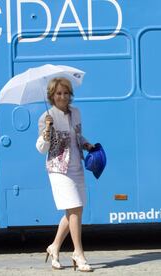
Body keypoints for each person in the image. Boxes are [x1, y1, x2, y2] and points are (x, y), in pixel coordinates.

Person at [36, 77, 94, 272]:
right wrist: (47, 130)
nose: (62, 96)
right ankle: (78, 253)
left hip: (77, 165)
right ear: (52, 96)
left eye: (66, 93)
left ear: (70, 95)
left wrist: (86, 144)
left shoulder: (76, 113)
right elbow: (41, 149)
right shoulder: (47, 116)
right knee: (75, 207)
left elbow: (77, 136)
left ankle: (54, 247)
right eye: (58, 93)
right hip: (59, 170)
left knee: (74, 211)